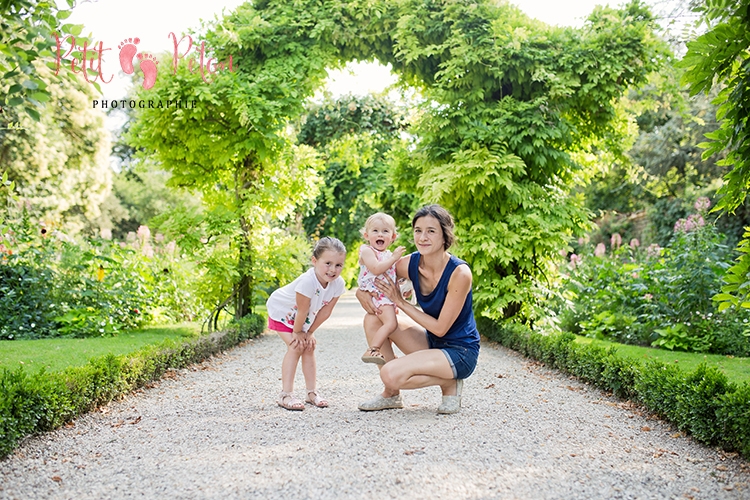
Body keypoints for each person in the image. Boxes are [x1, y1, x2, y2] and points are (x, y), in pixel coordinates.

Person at [356, 204, 480, 414]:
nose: (423, 237)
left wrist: (401, 302)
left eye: (431, 231)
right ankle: (392, 395)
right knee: (373, 320)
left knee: (390, 374)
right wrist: (362, 293)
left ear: (445, 236)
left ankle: (450, 383)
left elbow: (440, 328)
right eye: (418, 231)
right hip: (432, 342)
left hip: (460, 352)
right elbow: (374, 273)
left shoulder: (460, 273)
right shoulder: (410, 264)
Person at [266, 236, 347, 411]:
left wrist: (309, 333)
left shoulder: (338, 284)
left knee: (309, 346)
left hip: (300, 317)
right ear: (314, 261)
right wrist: (298, 333)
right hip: (282, 311)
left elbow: (326, 312)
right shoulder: (308, 282)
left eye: (338, 265)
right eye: (328, 263)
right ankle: (285, 395)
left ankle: (311, 393)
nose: (333, 269)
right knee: (296, 346)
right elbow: (302, 310)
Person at [357, 212, 405, 365]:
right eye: (375, 231)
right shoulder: (367, 251)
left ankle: (387, 354)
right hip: (378, 296)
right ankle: (373, 349)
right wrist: (394, 258)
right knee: (391, 324)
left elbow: (390, 275)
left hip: (385, 296)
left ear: (393, 237)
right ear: (366, 235)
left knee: (388, 325)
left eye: (385, 231)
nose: (380, 234)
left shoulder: (387, 254)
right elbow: (376, 269)